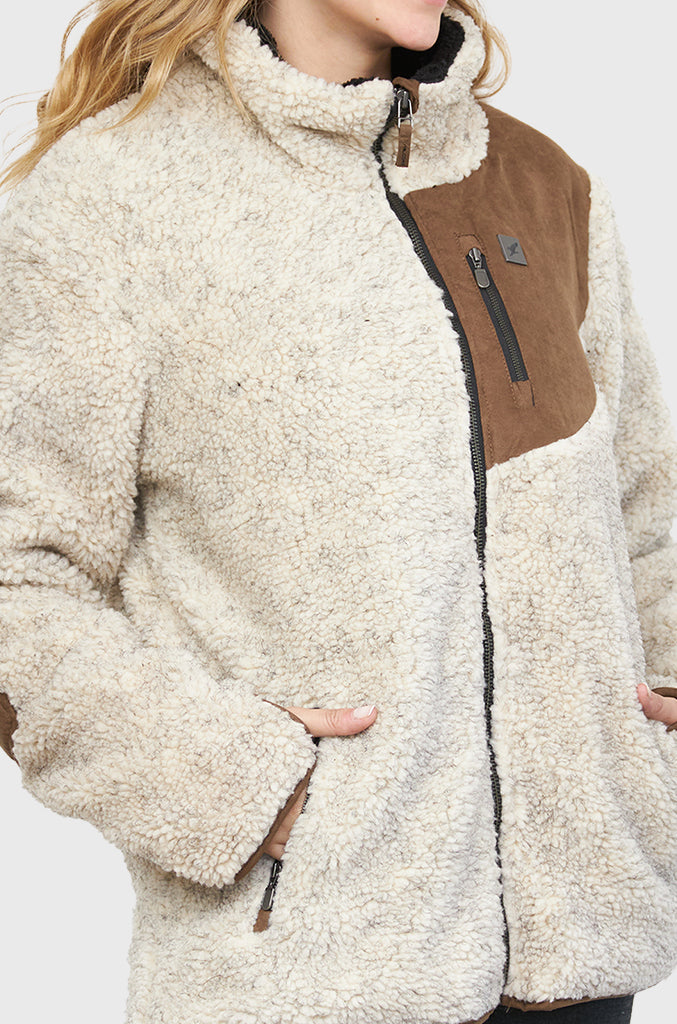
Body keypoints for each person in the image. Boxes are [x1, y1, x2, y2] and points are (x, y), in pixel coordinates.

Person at [0, 2, 675, 1023]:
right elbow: (19, 582)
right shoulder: (111, 197)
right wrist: (229, 783)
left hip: (579, 963)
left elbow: (637, 512)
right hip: (305, 969)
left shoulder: (542, 186)